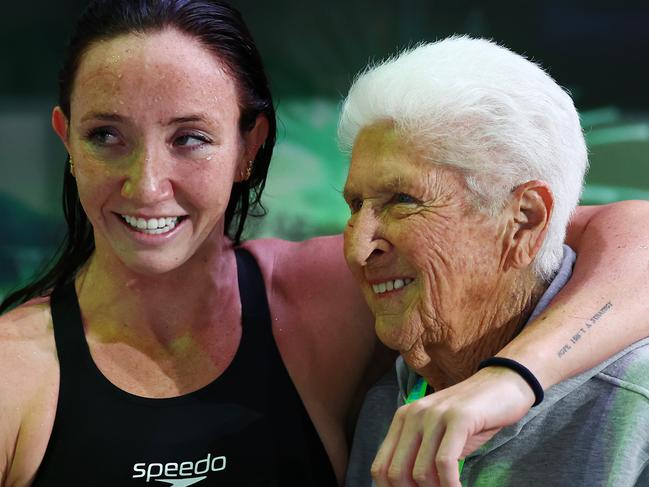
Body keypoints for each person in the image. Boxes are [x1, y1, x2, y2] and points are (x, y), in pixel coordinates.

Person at [0, 2, 648, 486]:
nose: (145, 185)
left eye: (190, 137)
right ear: (65, 139)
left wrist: (512, 379)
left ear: (248, 148)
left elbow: (620, 233)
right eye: (106, 135)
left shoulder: (319, 298)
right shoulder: (14, 372)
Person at [340, 36, 649, 487]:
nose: (357, 247)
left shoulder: (635, 407)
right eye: (354, 205)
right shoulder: (388, 403)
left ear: (523, 222)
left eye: (403, 200)